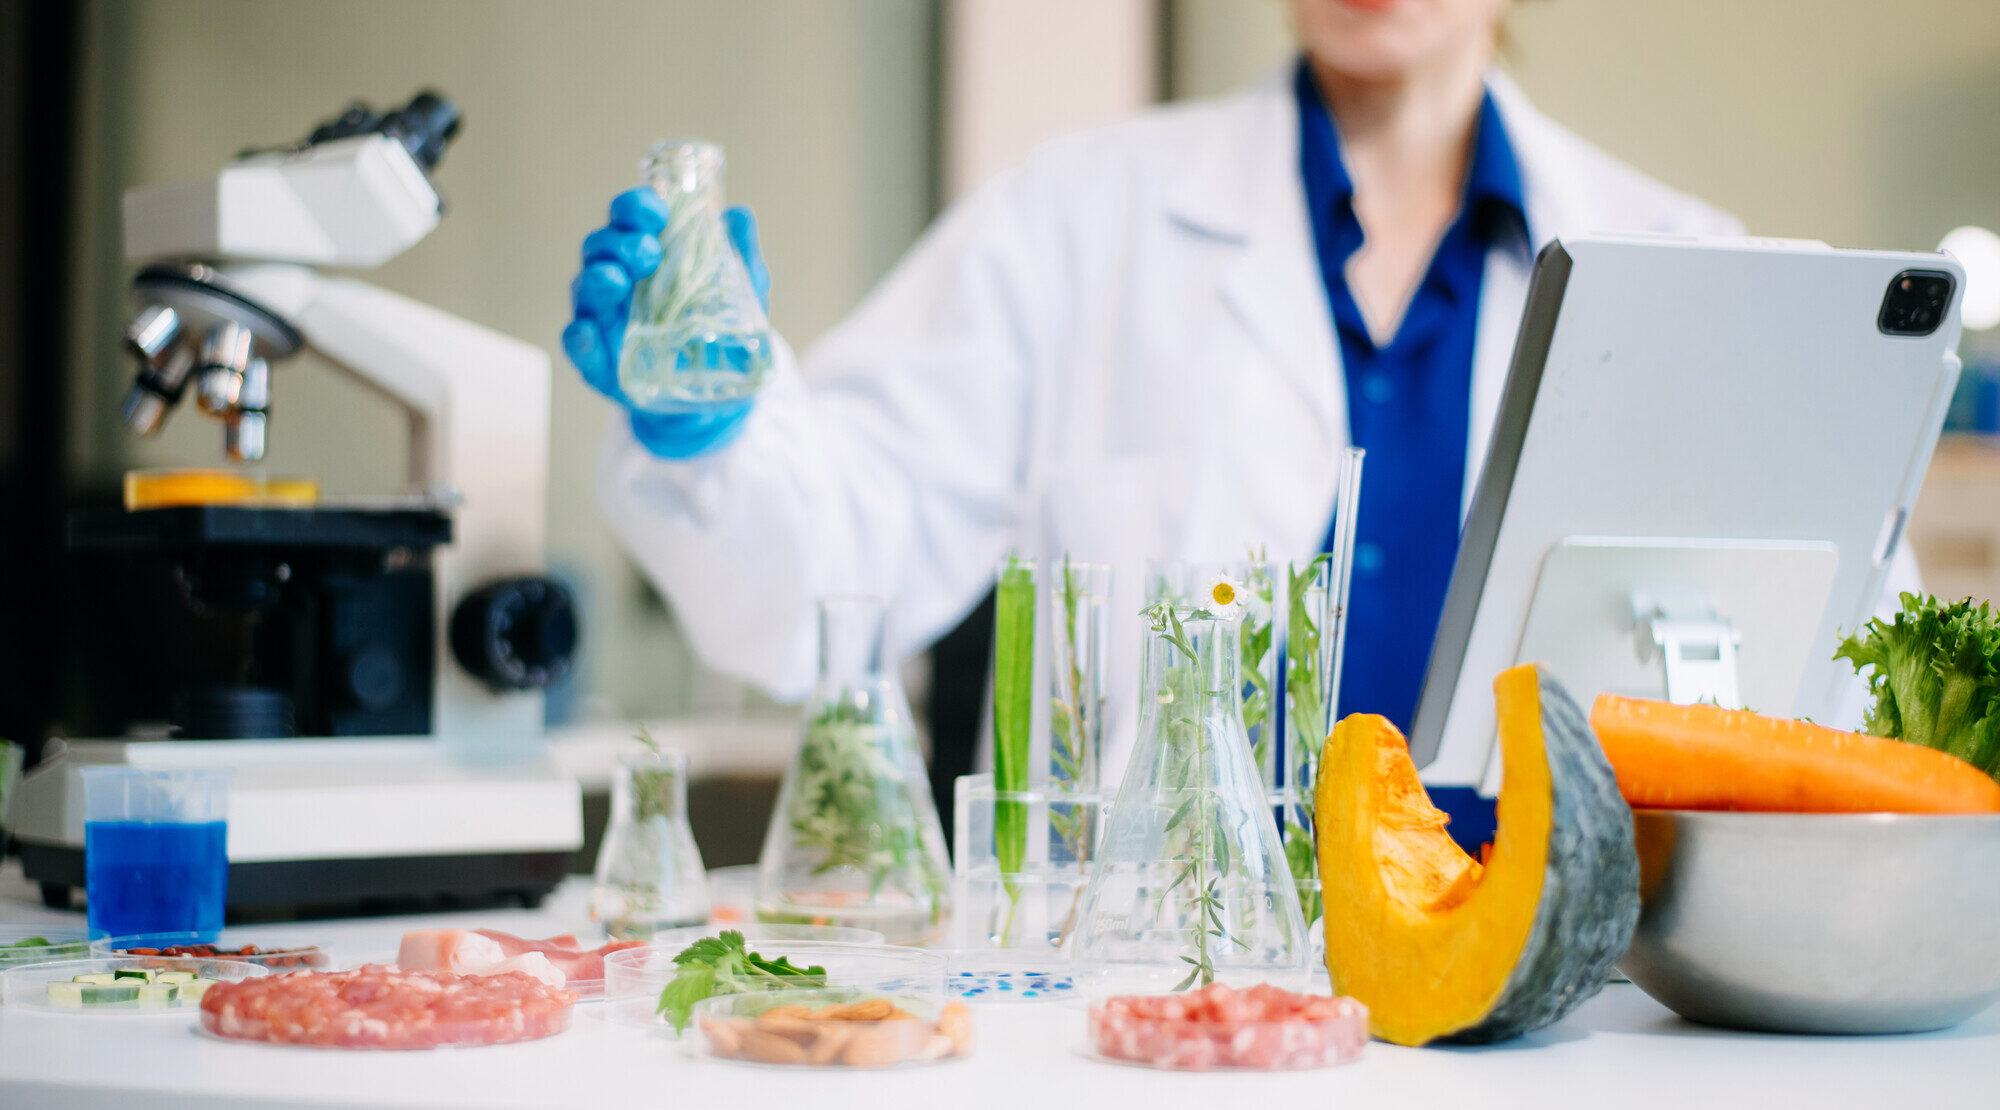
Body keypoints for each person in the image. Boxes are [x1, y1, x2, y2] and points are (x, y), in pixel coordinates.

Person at [563, 0, 1778, 830]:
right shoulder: (1075, 217)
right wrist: (715, 433)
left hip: (1558, 1022)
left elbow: (1782, 687)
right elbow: (831, 573)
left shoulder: (1681, 266)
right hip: (1164, 1010)